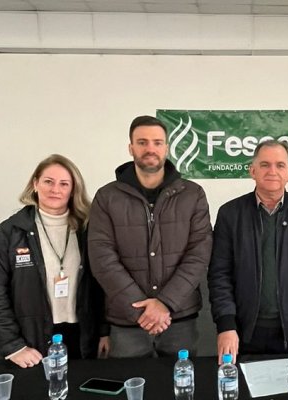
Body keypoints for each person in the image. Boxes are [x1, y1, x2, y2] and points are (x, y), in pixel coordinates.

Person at [88, 115, 212, 358]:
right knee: (131, 390)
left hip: (179, 317)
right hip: (126, 320)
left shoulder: (193, 194)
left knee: (182, 387)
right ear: (131, 147)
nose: (150, 149)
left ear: (166, 147)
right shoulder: (106, 197)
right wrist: (143, 310)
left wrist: (165, 303)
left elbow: (199, 254)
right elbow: (102, 258)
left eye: (157, 142)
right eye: (142, 142)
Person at [208, 140, 288, 366]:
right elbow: (219, 275)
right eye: (265, 165)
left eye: (280, 165)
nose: (272, 171)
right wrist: (226, 325)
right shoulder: (230, 214)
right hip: (243, 333)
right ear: (252, 171)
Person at [0, 154, 109, 368]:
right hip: (31, 341)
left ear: (73, 190)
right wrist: (13, 346)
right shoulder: (7, 234)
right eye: (48, 181)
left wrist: (105, 332)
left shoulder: (90, 231)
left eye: (64, 184)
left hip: (85, 338)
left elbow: (103, 286)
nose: (55, 189)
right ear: (35, 184)